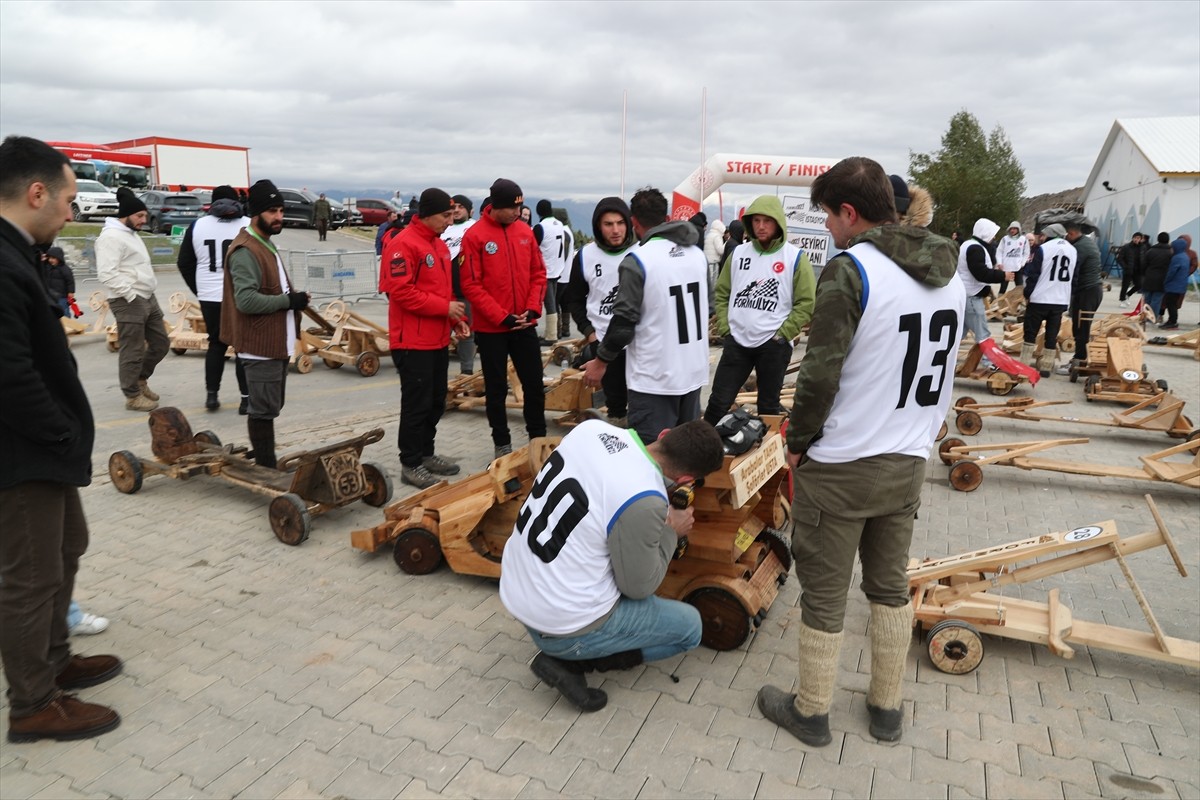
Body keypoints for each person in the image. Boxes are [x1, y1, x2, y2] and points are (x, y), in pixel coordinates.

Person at [757, 156, 965, 747]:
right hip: (907, 457)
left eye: (826, 214)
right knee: (889, 586)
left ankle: (813, 710)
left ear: (849, 212)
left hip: (845, 460)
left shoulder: (853, 269)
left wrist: (796, 444)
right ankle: (886, 708)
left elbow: (820, 375)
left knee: (824, 592)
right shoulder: (950, 272)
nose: (826, 226)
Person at [0, 134, 122, 742]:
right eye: (70, 201)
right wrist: (58, 430)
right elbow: (9, 373)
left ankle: (54, 657)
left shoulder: (19, 251)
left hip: (43, 449)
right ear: (37, 192)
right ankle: (33, 704)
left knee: (67, 547)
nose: (73, 214)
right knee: (29, 576)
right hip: (23, 455)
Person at [499, 419, 724, 712]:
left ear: (664, 433)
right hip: (558, 623)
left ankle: (568, 647)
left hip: (518, 588)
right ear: (684, 480)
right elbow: (639, 588)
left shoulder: (590, 429)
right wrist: (672, 530)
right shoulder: (645, 500)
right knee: (690, 628)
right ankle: (570, 660)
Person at [582, 187, 709, 444]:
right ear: (667, 216)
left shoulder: (638, 260)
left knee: (653, 456)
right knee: (686, 454)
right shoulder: (697, 255)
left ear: (633, 222)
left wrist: (601, 361)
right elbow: (709, 308)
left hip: (655, 378)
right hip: (693, 372)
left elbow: (624, 323)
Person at [379, 188, 469, 488]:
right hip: (411, 342)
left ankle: (426, 453)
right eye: (445, 215)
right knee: (416, 405)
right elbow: (401, 292)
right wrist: (445, 308)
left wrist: (456, 319)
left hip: (437, 339)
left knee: (435, 402)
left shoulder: (439, 246)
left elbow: (445, 291)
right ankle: (411, 462)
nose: (449, 220)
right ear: (427, 214)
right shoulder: (402, 244)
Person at [703, 195, 816, 425]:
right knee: (718, 402)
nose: (761, 226)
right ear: (749, 223)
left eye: (767, 220)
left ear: (778, 223)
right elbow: (722, 292)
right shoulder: (738, 254)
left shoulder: (794, 257)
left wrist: (784, 333)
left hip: (773, 344)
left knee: (768, 406)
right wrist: (726, 328)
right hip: (738, 342)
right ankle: (709, 454)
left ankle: (766, 458)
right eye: (756, 221)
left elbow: (806, 302)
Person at [220, 180, 310, 469]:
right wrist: (288, 301)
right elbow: (246, 301)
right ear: (256, 213)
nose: (279, 217)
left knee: (269, 408)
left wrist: (294, 301)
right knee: (262, 412)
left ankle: (265, 463)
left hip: (273, 343)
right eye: (272, 211)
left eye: (281, 210)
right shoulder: (246, 250)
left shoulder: (263, 243)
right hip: (259, 347)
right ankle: (266, 469)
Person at [459, 178, 547, 458]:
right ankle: (502, 443)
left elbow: (538, 273)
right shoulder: (475, 236)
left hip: (524, 324)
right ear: (496, 206)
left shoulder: (525, 232)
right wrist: (502, 317)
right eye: (512, 207)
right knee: (496, 389)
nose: (517, 212)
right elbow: (471, 285)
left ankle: (538, 439)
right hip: (492, 328)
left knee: (534, 384)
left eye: (520, 206)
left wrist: (532, 309)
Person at [562, 197, 637, 424]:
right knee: (615, 404)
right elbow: (573, 299)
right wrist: (589, 333)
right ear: (598, 226)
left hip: (639, 342)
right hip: (604, 341)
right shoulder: (585, 256)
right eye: (608, 224)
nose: (615, 230)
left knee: (641, 402)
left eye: (620, 223)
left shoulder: (642, 250)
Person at [177, 185, 251, 413]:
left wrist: (200, 289)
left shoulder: (197, 225)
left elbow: (185, 263)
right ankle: (246, 400)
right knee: (242, 347)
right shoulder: (247, 224)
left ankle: (212, 396)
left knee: (216, 345)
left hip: (210, 295)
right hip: (240, 293)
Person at [96, 186, 169, 412]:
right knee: (133, 349)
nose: (143, 220)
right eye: (139, 216)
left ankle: (140, 379)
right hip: (127, 299)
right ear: (125, 215)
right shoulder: (110, 237)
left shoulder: (131, 234)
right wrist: (130, 294)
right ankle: (132, 395)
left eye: (145, 216)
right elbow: (106, 273)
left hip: (147, 296)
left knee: (161, 343)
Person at [1020, 224, 1076, 377]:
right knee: (1052, 334)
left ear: (1051, 234)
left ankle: (1024, 363)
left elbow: (1033, 273)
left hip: (1040, 297)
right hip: (1060, 299)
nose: (1042, 237)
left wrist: (1027, 293)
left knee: (1030, 332)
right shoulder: (1072, 249)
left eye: (1044, 235)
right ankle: (1046, 366)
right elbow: (1074, 276)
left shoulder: (1043, 249)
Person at [956, 218, 1012, 354]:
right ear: (985, 233)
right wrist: (1002, 276)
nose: (994, 237)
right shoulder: (975, 248)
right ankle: (991, 362)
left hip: (967, 295)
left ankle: (941, 357)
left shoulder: (970, 245)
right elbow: (980, 273)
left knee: (958, 334)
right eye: (992, 234)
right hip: (972, 296)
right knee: (983, 334)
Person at [1061, 221, 1103, 374]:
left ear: (1071, 234)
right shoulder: (1084, 242)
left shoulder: (1080, 247)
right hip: (1088, 290)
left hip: (1088, 291)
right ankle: (1079, 360)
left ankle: (1080, 362)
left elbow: (1071, 268)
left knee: (1081, 328)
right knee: (1078, 326)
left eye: (1065, 236)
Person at [442, 194, 477, 375]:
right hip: (444, 291)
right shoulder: (443, 229)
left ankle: (467, 371)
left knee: (466, 332)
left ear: (469, 210)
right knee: (441, 333)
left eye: (461, 207)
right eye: (454, 207)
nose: (456, 210)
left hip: (466, 290)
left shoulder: (474, 228)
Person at [533, 199, 572, 345]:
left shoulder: (541, 227)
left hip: (545, 270)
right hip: (557, 269)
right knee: (553, 302)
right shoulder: (559, 225)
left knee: (549, 304)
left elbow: (533, 247)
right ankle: (552, 332)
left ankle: (551, 335)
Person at [1141, 232, 1174, 322]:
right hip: (1162, 280)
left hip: (1149, 278)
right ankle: (1152, 318)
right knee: (1156, 300)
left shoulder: (1150, 251)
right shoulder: (1170, 253)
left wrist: (1146, 274)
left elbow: (1143, 265)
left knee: (1147, 300)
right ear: (1168, 240)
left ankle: (1145, 317)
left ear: (1158, 239)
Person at [1160, 237, 1189, 329]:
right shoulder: (1185, 256)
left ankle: (1172, 321)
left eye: (1172, 247)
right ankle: (1171, 320)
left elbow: (1172, 272)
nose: (1171, 249)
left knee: (1170, 303)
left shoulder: (1177, 258)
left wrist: (1165, 281)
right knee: (1172, 303)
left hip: (1174, 285)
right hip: (1180, 284)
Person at [996, 221, 1028, 294]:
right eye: (1011, 229)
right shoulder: (1005, 239)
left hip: (1018, 267)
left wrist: (1022, 264)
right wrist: (999, 263)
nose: (1012, 230)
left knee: (1019, 288)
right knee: (1003, 288)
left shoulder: (1023, 239)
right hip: (1006, 268)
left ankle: (1018, 303)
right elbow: (999, 251)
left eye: (1014, 229)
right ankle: (1000, 303)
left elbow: (1026, 253)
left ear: (1018, 229)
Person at [42, 246, 75, 316]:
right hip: (50, 294)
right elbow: (39, 268)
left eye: (53, 258)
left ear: (59, 258)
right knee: (52, 311)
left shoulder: (64, 269)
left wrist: (71, 291)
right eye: (49, 258)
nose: (50, 260)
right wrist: (43, 260)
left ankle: (67, 324)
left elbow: (70, 281)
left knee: (64, 310)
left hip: (62, 295)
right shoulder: (47, 267)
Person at [1116, 232, 1146, 306]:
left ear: (1141, 239)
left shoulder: (1143, 247)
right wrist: (1125, 266)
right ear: (1132, 238)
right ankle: (1122, 300)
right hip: (1128, 269)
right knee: (1125, 285)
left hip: (1138, 270)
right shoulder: (1126, 247)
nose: (1136, 239)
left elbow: (1145, 257)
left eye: (1138, 238)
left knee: (1139, 285)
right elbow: (1119, 258)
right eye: (1135, 237)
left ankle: (1128, 295)